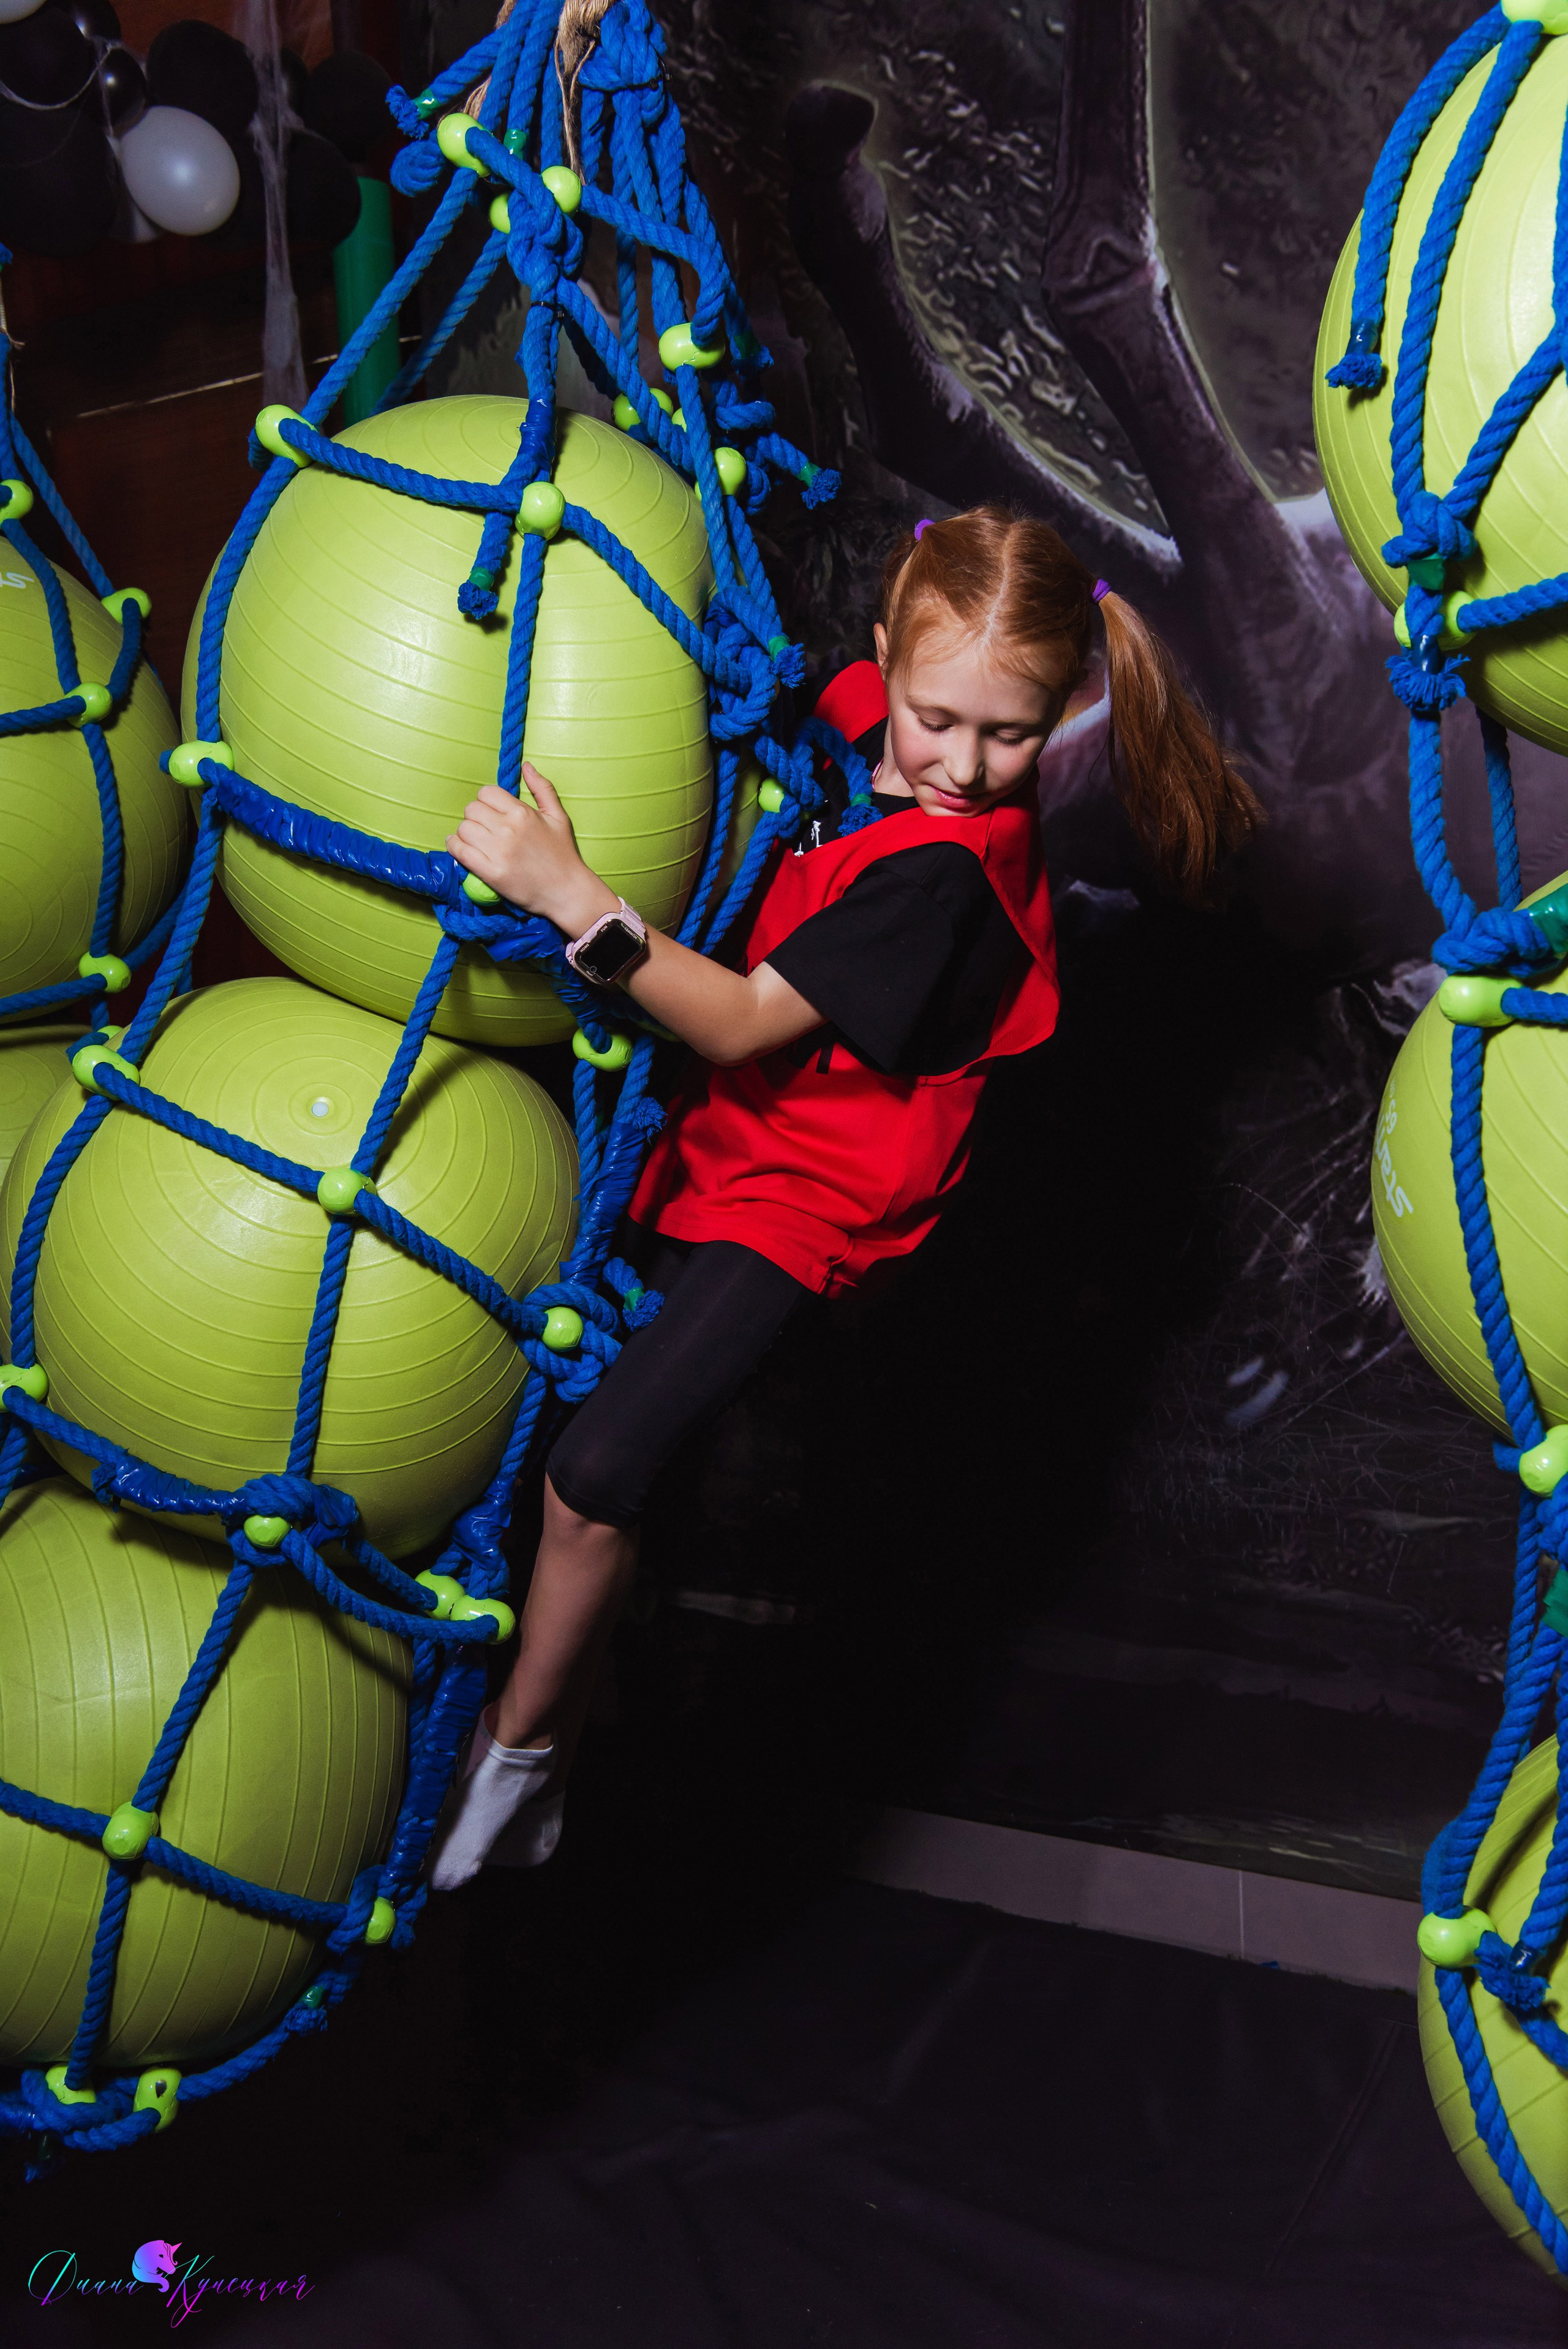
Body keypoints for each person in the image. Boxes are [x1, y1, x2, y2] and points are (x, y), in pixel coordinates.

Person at [425, 503, 1259, 1885]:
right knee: (573, 1432)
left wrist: (570, 894)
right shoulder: (869, 706)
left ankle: (516, 1764)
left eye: (1012, 735)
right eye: (937, 719)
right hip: (716, 1148)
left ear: (1064, 709)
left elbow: (742, 1023)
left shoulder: (943, 874)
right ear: (887, 659)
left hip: (808, 1200)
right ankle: (574, 1711)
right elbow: (817, 702)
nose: (963, 766)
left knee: (594, 1475)